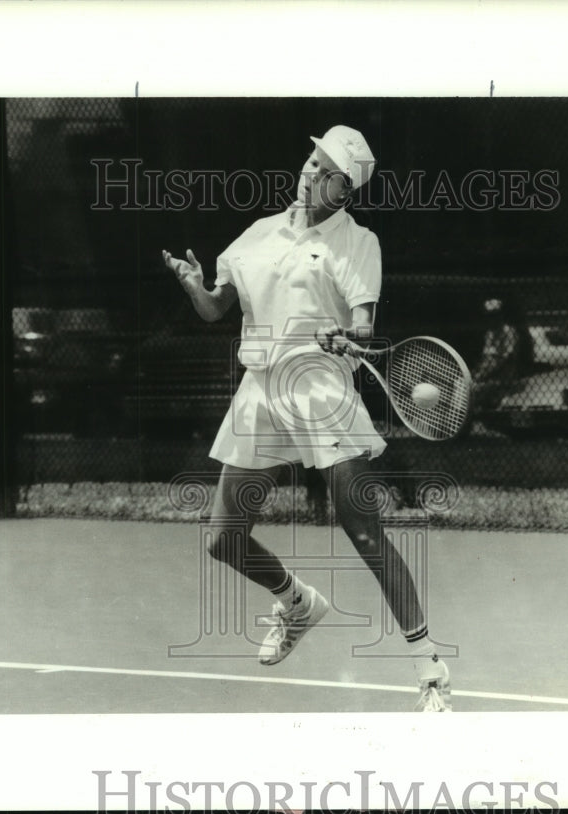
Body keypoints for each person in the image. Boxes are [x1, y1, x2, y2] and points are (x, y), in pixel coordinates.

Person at [162, 125, 451, 712]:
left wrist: (348, 336)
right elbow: (217, 308)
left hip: (321, 387)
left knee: (364, 530)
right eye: (311, 161)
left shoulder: (356, 243)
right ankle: (297, 602)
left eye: (327, 172)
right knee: (222, 540)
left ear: (344, 191)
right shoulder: (259, 234)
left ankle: (431, 673)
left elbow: (364, 323)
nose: (311, 173)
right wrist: (195, 288)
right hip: (261, 390)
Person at [471, 294, 535, 412]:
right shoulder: (490, 333)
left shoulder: (509, 332)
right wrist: (478, 373)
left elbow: (507, 358)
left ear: (500, 315)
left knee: (475, 389)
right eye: (489, 316)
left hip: (503, 375)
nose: (492, 319)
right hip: (488, 373)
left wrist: (484, 374)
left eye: (494, 315)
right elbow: (486, 357)